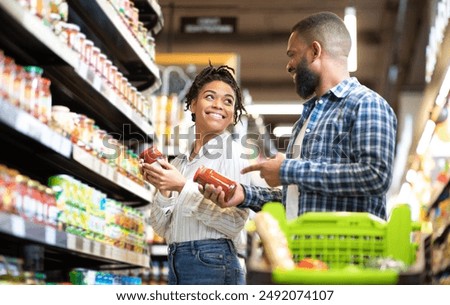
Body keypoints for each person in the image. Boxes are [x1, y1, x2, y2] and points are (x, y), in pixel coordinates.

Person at [202, 12, 397, 220]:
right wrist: (244, 194)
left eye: (292, 54)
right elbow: (295, 198)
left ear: (315, 51)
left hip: (348, 250)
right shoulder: (305, 121)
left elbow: (375, 176)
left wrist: (288, 169)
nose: (289, 65)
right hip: (304, 249)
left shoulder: (366, 104)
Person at [140, 64, 250, 285]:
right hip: (178, 262)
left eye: (228, 101)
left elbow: (235, 223)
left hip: (213, 263)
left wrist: (182, 187)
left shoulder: (233, 154)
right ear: (192, 105)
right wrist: (163, 187)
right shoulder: (181, 163)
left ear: (233, 116)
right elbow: (161, 228)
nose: (219, 105)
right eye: (210, 97)